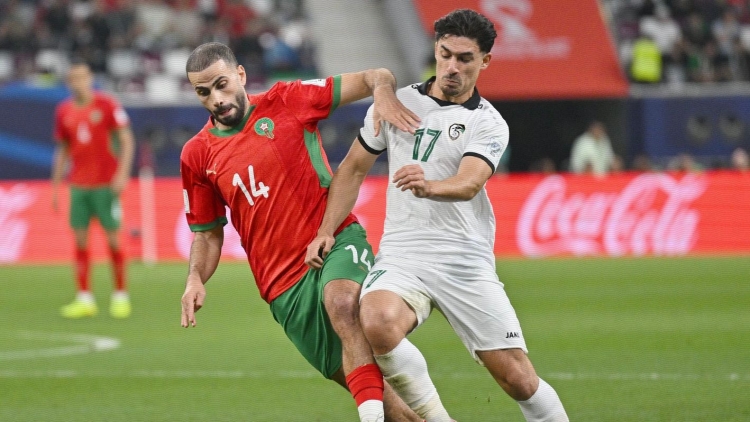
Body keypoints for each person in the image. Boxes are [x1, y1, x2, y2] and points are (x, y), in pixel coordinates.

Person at [306, 8, 569, 422]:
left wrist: (428, 185)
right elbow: (353, 168)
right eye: (445, 55)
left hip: (464, 259)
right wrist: (325, 229)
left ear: (485, 61)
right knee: (376, 321)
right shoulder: (396, 104)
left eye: (465, 59)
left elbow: (469, 182)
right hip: (404, 253)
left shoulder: (488, 123)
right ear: (435, 50)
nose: (452, 67)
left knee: (518, 379)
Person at [178, 41, 422, 422]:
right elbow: (208, 234)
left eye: (222, 85)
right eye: (203, 92)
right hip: (283, 287)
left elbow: (376, 77)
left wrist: (384, 92)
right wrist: (195, 277)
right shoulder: (196, 155)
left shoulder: (287, 100)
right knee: (391, 407)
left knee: (342, 303)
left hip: (332, 239)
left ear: (240, 75)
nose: (216, 99)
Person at [51, 60, 135, 319]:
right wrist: (55, 187)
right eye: (73, 78)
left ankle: (120, 295)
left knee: (113, 239)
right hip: (79, 185)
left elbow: (126, 139)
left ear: (90, 78)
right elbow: (63, 150)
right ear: (69, 83)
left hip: (105, 185)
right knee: (79, 240)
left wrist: (122, 174)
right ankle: (84, 298)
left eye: (82, 77)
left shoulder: (107, 105)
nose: (78, 83)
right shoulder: (64, 111)